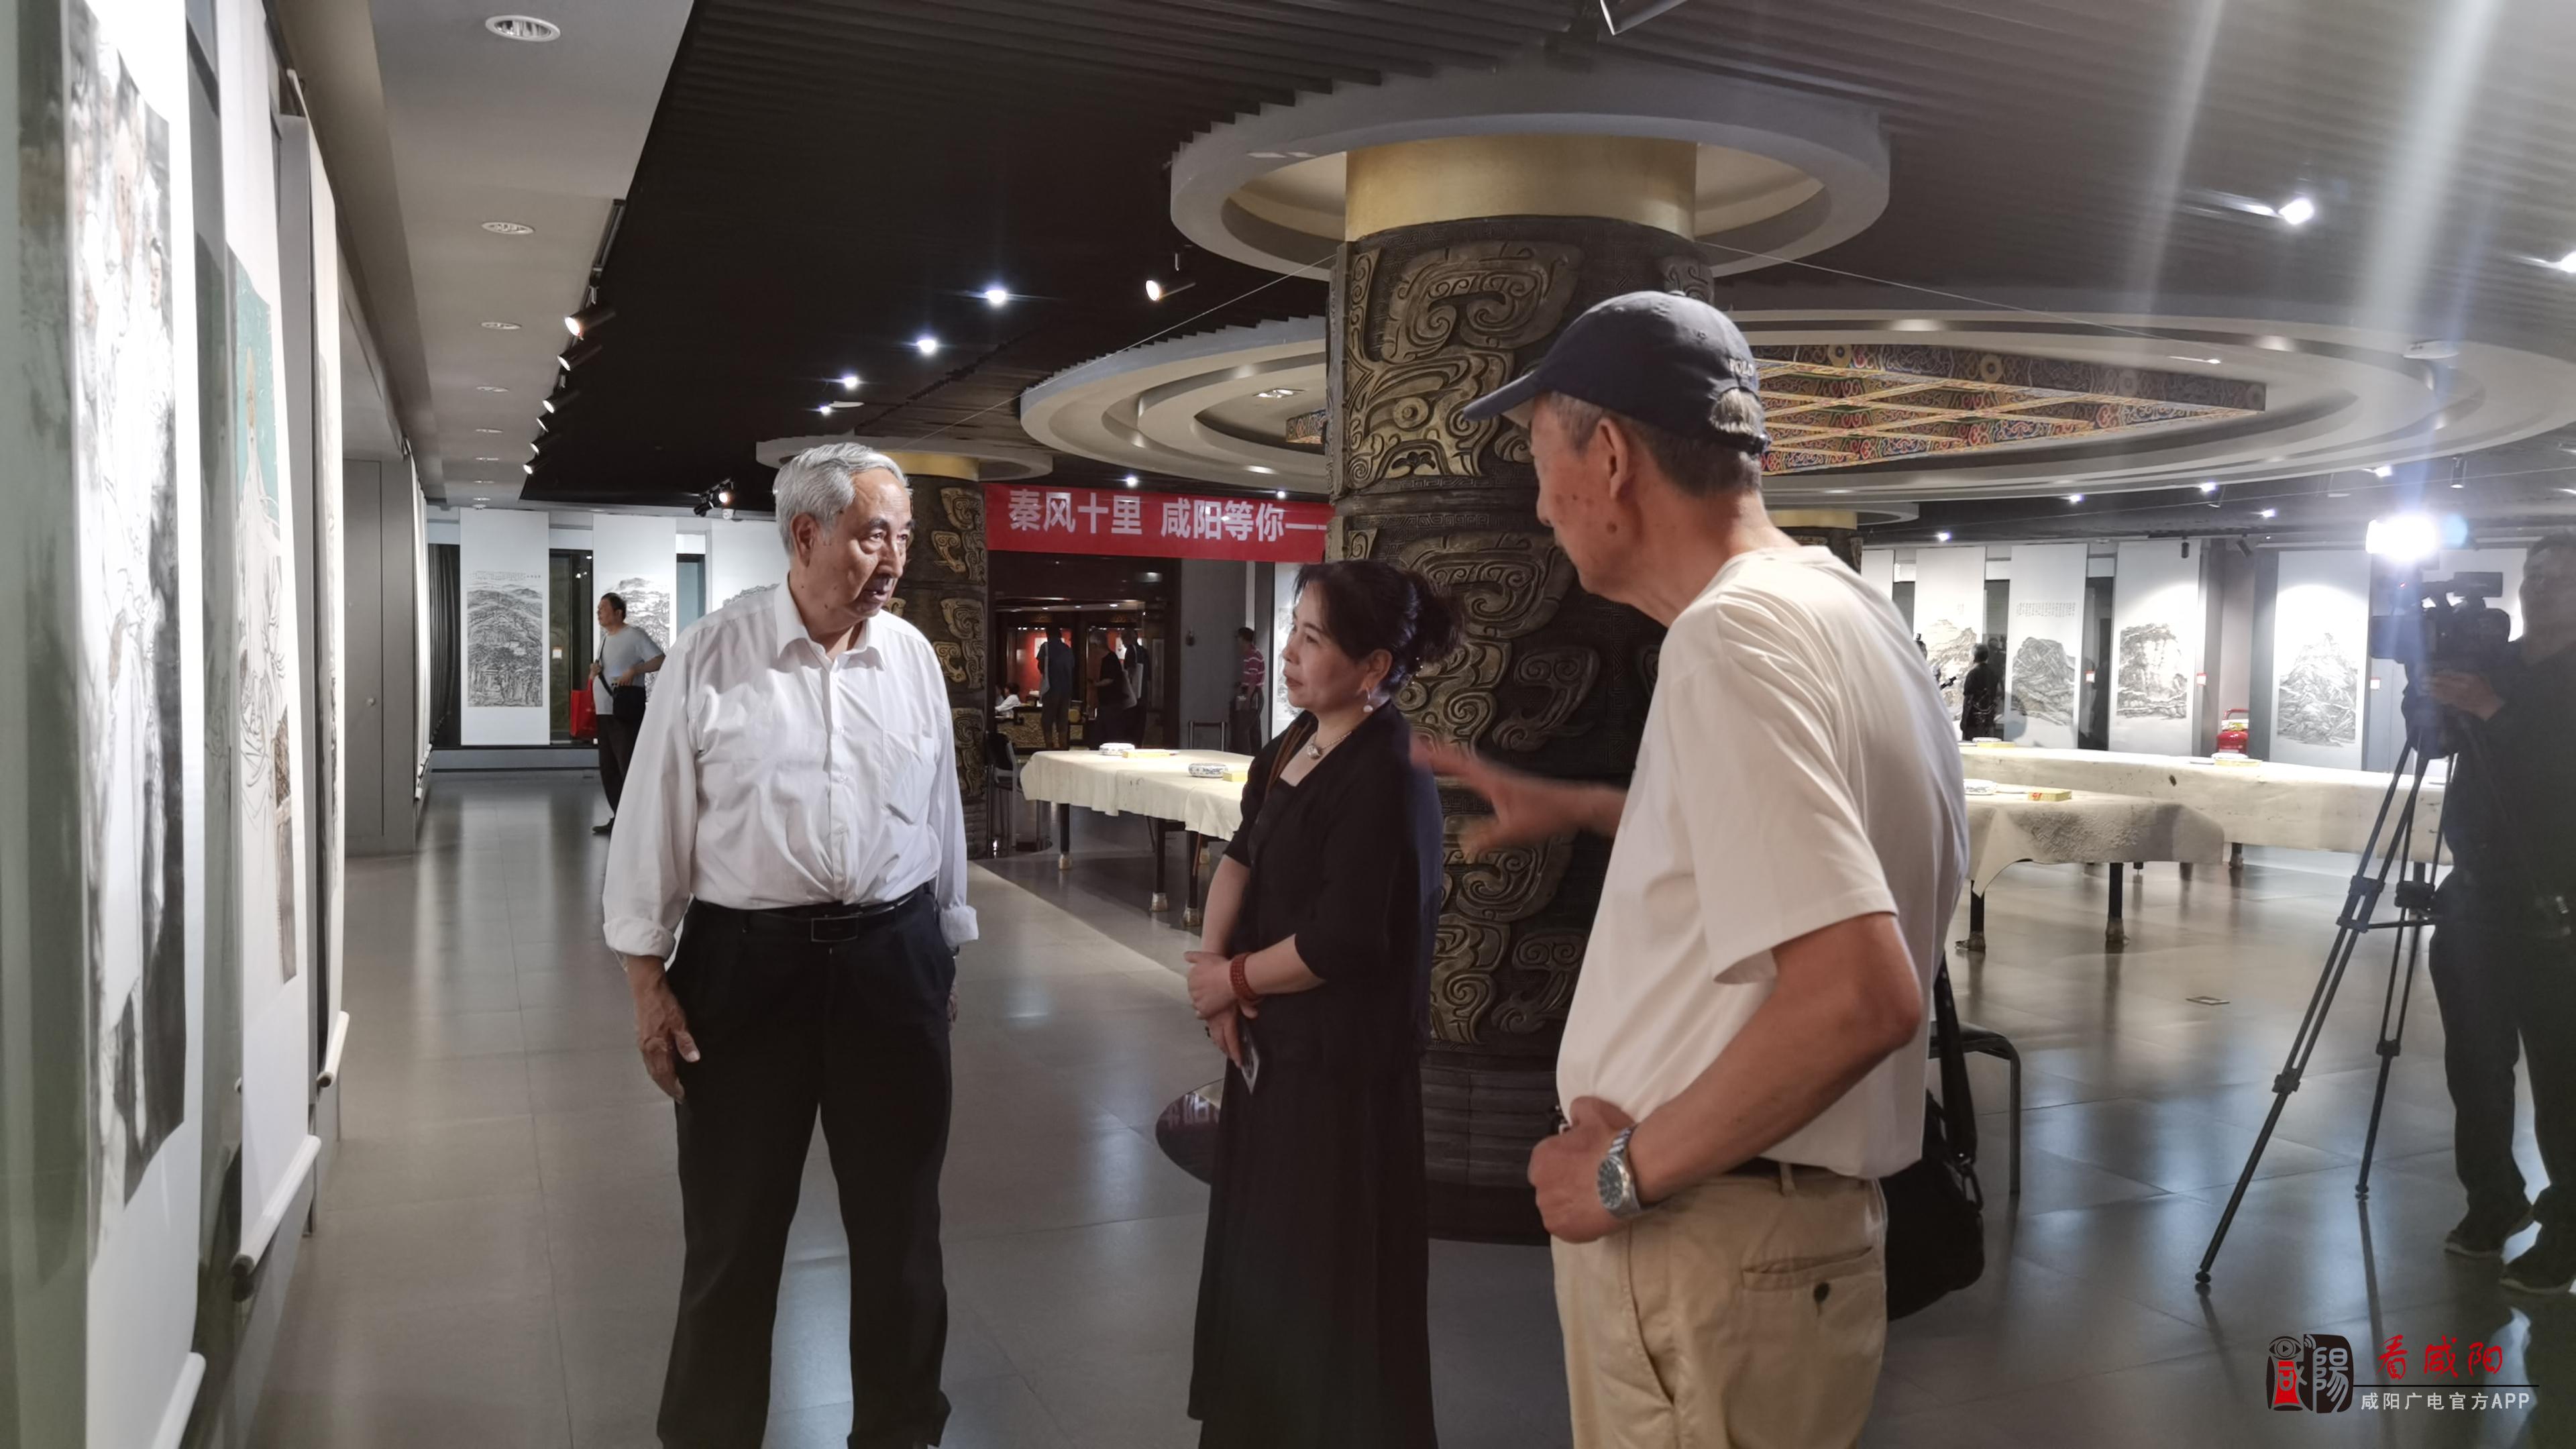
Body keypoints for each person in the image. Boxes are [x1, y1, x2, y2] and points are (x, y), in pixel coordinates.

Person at [1424, 291, 1966, 1448]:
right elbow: (1796, 849)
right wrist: (1590, 808)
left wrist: (1619, 1175)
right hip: (1777, 1245)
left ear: (1610, 458)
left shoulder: (1731, 636)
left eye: (1541, 462)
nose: (1541, 505)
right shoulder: (1851, 613)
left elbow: (1859, 994)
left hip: (1708, 1242)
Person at [603, 443, 976, 1449]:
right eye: (872, 535)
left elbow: (939, 812)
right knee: (734, 1236)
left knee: (903, 1233)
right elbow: (652, 825)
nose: (894, 558)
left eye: (903, 536)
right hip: (745, 972)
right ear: (805, 534)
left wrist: (944, 942)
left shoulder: (911, 659)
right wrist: (647, 982)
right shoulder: (713, 656)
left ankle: (902, 1431)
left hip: (892, 962)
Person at [1182, 557, 1459, 1449]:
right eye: (1293, 632)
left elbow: (1344, 941)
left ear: (1374, 667)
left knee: (1322, 1271)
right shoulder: (1294, 741)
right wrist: (1213, 970)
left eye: (1313, 638)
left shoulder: (1388, 772)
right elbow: (1242, 853)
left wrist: (1234, 982)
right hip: (1274, 1051)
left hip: (1342, 1071)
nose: (1290, 654)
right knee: (1265, 1260)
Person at [2424, 532, 2576, 1292]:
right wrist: (2434, 696)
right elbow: (2433, 747)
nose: (2538, 588)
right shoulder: (2498, 662)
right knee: (2475, 1065)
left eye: (2558, 578)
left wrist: (2490, 709)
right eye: (2533, 575)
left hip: (2557, 898)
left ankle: (2569, 1230)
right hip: (2475, 891)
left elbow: (2556, 771)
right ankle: (2494, 1199)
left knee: (2562, 1074)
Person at [590, 592, 666, 834]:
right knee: (609, 768)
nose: (599, 612)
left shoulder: (635, 635)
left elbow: (661, 659)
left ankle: (637, 819)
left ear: (618, 613)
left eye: (603, 608)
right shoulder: (605, 639)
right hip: (604, 712)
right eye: (598, 609)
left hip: (624, 711)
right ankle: (620, 817)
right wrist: (594, 672)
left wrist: (635, 670)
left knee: (628, 765)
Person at [1229, 624, 1267, 752]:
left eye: (1238, 637)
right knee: (1253, 728)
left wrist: (1247, 700)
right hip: (1247, 692)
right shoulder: (1251, 655)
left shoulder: (1253, 656)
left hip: (1251, 693)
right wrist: (1241, 684)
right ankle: (1254, 756)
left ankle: (1243, 756)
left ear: (1243, 639)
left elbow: (1253, 680)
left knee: (1242, 727)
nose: (1237, 641)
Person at [1095, 628, 1136, 743]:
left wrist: (1096, 684)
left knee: (1113, 735)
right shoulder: (1107, 659)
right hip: (1107, 704)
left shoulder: (1112, 658)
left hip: (1112, 704)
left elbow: (1111, 678)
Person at [1036, 626, 1075, 749]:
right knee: (1063, 719)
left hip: (1051, 688)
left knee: (1047, 719)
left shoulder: (1046, 647)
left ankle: (1049, 745)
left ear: (1048, 635)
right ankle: (1063, 745)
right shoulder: (1067, 649)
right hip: (1066, 689)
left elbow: (1041, 666)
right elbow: (1072, 666)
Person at [1959, 641, 2002, 740]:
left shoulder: (1972, 674)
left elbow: (1968, 699)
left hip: (1973, 722)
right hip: (1989, 719)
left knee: (1971, 746)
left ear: (1974, 657)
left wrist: (1964, 720)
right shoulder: (1993, 673)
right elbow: (1999, 693)